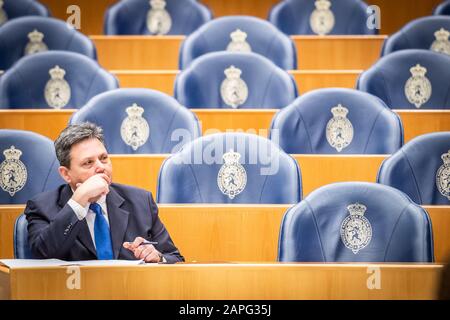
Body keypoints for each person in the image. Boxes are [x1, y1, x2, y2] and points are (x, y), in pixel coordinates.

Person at [24, 122, 184, 263]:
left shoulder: (141, 201)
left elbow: (174, 258)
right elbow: (42, 256)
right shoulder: (42, 207)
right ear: (66, 174)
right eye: (88, 163)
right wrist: (79, 201)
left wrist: (158, 257)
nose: (101, 167)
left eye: (104, 158)